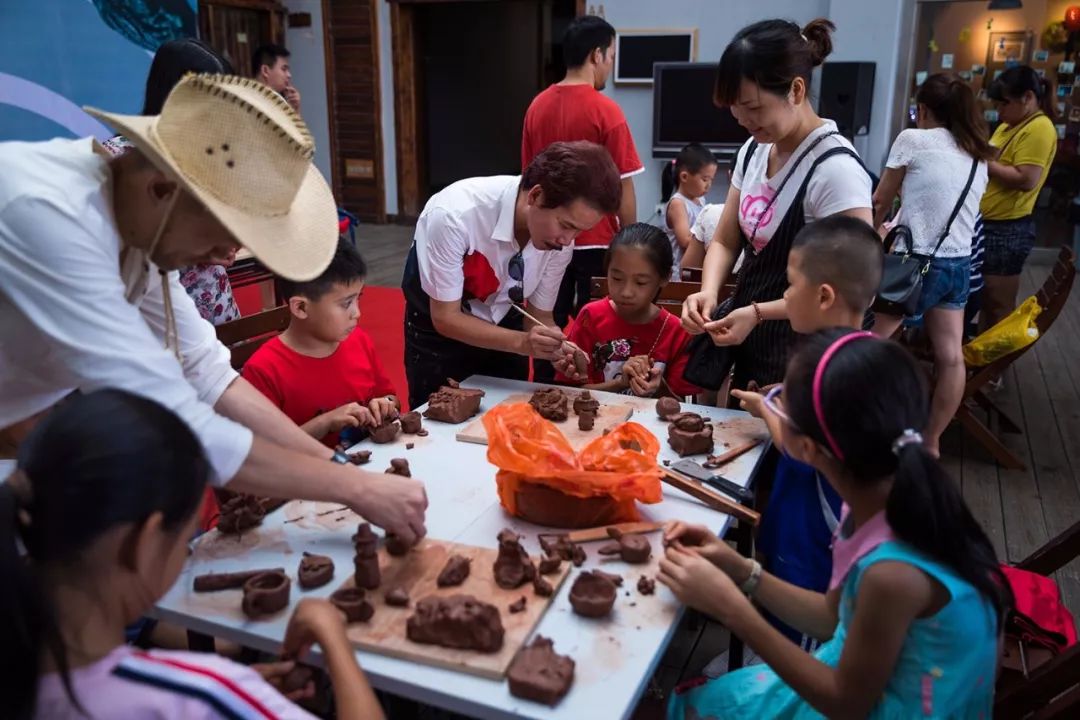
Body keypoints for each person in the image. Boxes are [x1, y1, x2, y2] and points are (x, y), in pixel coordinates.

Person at [0, 73, 427, 544]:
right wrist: (356, 488)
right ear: (163, 189)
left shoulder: (139, 223)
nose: (227, 255)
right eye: (224, 233)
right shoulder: (48, 217)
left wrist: (341, 468)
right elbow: (182, 419)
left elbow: (210, 374)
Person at [660, 330, 1010, 718]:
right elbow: (832, 617)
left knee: (697, 707)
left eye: (778, 403)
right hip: (872, 677)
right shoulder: (882, 499)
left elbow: (846, 703)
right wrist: (740, 570)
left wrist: (732, 610)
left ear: (805, 448)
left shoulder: (893, 572)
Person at [2, 389, 385, 720]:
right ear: (145, 541)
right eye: (186, 540)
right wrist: (332, 638)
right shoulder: (191, 696)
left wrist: (238, 699)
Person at [680, 18, 873, 394]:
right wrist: (709, 290)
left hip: (807, 351)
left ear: (796, 90)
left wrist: (757, 313)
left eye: (752, 107)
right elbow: (725, 239)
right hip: (753, 340)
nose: (743, 120)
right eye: (735, 109)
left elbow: (852, 289)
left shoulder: (835, 172)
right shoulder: (755, 149)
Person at [730, 216, 883, 651]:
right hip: (818, 510)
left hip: (817, 522)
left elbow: (800, 448)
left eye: (790, 285)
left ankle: (778, 677)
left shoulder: (827, 370)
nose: (784, 297)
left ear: (824, 295)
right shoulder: (863, 353)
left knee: (795, 593)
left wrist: (765, 410)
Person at [402, 140, 621, 410]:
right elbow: (445, 318)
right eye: (566, 225)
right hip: (439, 332)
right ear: (536, 196)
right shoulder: (453, 216)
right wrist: (522, 343)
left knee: (507, 422)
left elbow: (539, 318)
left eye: (578, 231)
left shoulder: (559, 242)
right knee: (438, 423)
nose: (567, 240)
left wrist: (553, 347)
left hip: (507, 324)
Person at [871, 73, 992, 456]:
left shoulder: (913, 140)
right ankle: (933, 439)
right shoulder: (977, 154)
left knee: (870, 345)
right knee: (951, 356)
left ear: (922, 110)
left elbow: (879, 202)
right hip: (958, 265)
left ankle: (860, 424)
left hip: (913, 266)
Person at [521, 15, 644, 342]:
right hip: (597, 239)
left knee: (545, 323)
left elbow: (526, 182)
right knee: (599, 331)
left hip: (547, 236)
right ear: (596, 55)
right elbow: (624, 185)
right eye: (611, 57)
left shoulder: (537, 107)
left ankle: (544, 387)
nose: (610, 66)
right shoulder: (607, 111)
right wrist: (631, 243)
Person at [109, 38, 241, 326]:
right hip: (152, 315)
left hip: (214, 309)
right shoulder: (120, 159)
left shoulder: (207, 151)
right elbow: (115, 248)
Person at [244, 237, 399, 449]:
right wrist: (324, 423)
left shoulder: (358, 340)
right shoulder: (264, 370)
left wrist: (386, 405)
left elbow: (390, 397)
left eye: (358, 298)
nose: (357, 313)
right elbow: (262, 454)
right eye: (346, 304)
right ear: (301, 308)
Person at [553, 223, 700, 397]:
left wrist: (660, 388)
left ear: (665, 278)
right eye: (617, 278)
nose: (626, 292)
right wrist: (619, 383)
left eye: (640, 282)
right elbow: (569, 392)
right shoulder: (591, 317)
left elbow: (682, 405)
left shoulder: (677, 332)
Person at [978, 66, 1057, 334]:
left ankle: (994, 369)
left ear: (1027, 97)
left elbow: (1026, 179)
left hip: (1007, 229)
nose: (999, 111)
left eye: (1004, 104)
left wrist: (984, 162)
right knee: (985, 299)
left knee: (998, 303)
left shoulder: (1039, 128)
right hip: (989, 224)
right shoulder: (1008, 124)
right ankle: (981, 361)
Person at [663, 143, 718, 280]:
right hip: (679, 275)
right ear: (684, 177)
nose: (708, 185)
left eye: (711, 180)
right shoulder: (678, 204)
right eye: (704, 179)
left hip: (695, 269)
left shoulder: (701, 200)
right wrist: (712, 240)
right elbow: (685, 240)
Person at [253, 43, 301, 114]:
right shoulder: (250, 101)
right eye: (284, 69)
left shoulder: (278, 100)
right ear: (265, 71)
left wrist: (295, 110)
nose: (289, 75)